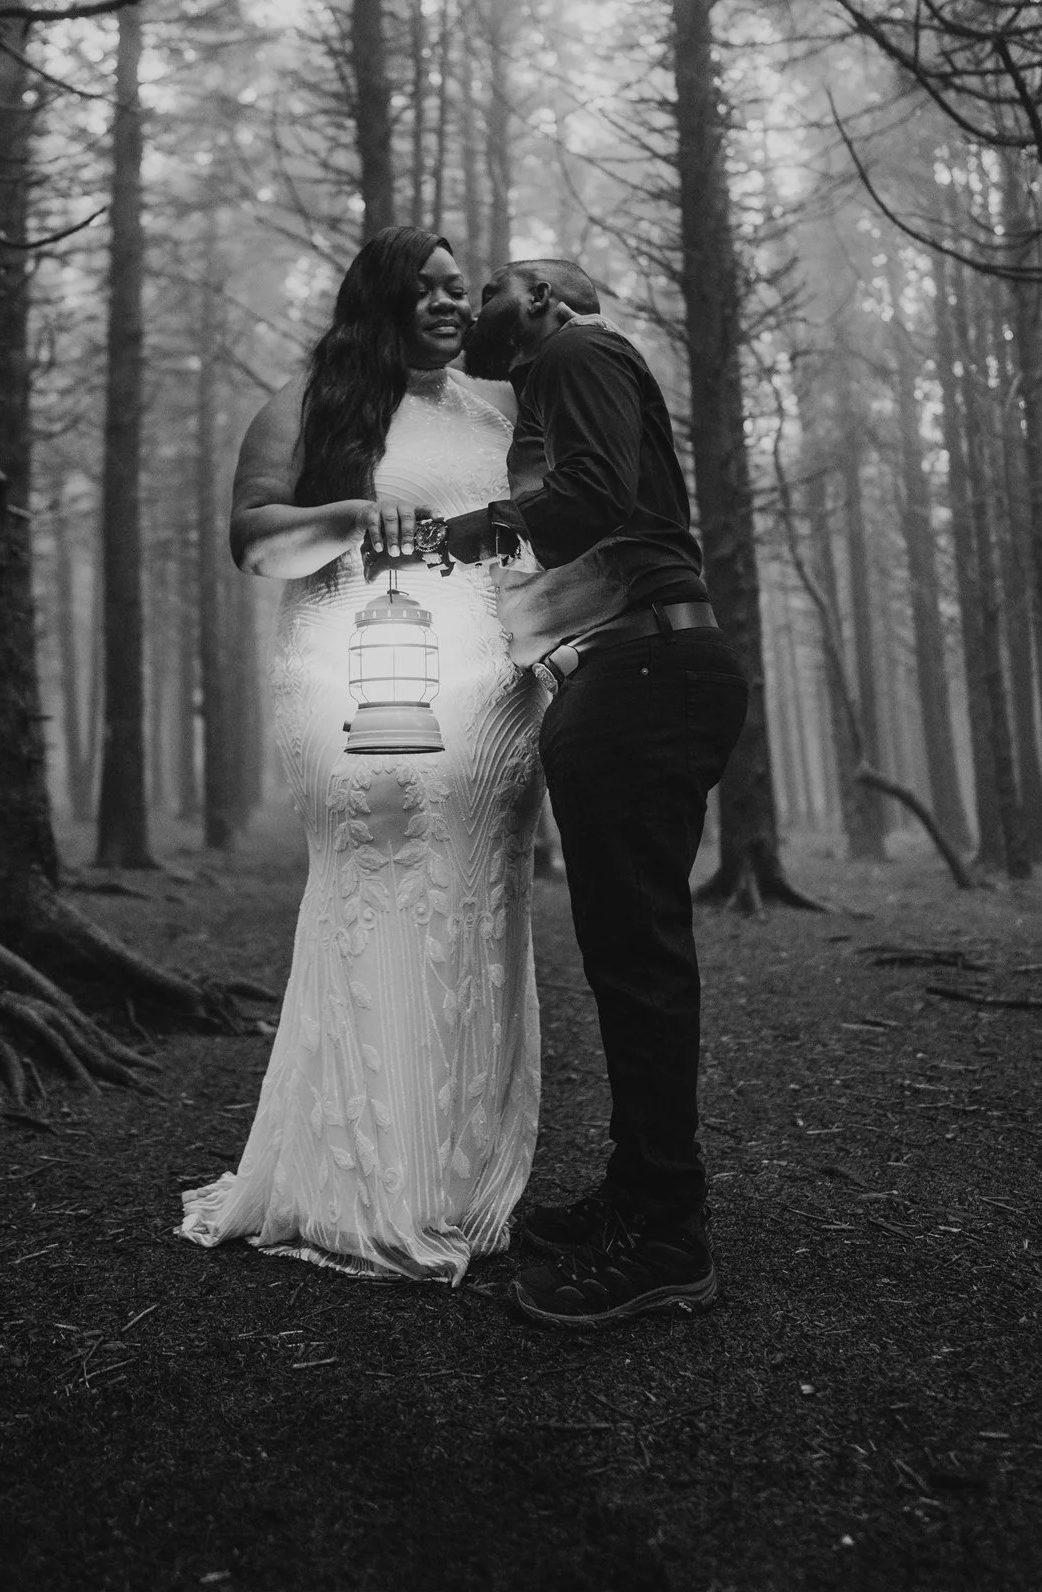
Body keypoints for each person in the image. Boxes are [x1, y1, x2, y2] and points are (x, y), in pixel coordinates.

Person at [179, 228, 547, 1285]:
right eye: (425, 287)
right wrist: (348, 515)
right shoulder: (308, 404)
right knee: (380, 894)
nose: (449, 302)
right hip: (359, 682)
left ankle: (460, 1182)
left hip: (494, 690)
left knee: (480, 904)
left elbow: (542, 535)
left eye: (458, 288)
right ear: (377, 298)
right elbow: (253, 540)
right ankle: (368, 1182)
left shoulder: (501, 412)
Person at [451, 260, 749, 1329]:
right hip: (632, 669)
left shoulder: (573, 350)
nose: (471, 308)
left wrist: (479, 527)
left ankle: (667, 1235)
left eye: (489, 287)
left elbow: (590, 498)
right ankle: (638, 1191)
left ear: (538, 294)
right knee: (627, 955)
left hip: (648, 670)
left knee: (640, 958)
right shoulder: (563, 373)